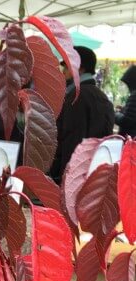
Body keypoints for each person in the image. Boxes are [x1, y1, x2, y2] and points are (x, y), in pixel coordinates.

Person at [50, 46, 114, 184]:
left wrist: (64, 178)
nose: (63, 72)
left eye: (66, 67)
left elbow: (72, 140)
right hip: (95, 174)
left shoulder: (77, 97)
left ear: (79, 68)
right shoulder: (99, 96)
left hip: (76, 179)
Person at [115, 65, 136, 137]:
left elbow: (127, 121)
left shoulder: (134, 95)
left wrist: (114, 114)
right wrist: (124, 109)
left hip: (130, 139)